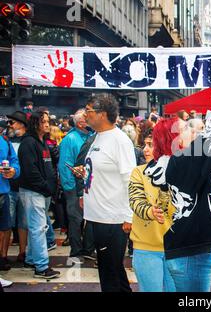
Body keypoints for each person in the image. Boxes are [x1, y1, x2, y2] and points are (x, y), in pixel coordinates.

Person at [143, 71, 211, 292]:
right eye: (185, 128)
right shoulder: (182, 163)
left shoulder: (180, 163)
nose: (192, 129)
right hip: (191, 255)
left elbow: (210, 136)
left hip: (190, 250)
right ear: (172, 140)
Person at [77, 95, 136, 292]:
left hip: (113, 218)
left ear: (102, 114)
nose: (85, 114)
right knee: (112, 271)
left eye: (89, 110)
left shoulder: (119, 141)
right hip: (98, 216)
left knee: (110, 274)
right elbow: (102, 169)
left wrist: (128, 216)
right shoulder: (97, 137)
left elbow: (130, 180)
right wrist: (85, 174)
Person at [128, 133, 175, 292]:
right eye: (144, 145)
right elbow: (135, 201)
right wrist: (150, 211)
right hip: (146, 248)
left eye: (151, 145)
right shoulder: (138, 172)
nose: (145, 150)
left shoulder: (178, 173)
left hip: (176, 248)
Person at [18, 112, 60, 279]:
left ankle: (31, 259)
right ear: (35, 123)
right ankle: (41, 267)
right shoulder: (28, 143)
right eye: (43, 121)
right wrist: (45, 187)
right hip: (34, 191)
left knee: (37, 228)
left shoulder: (41, 142)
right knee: (38, 229)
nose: (47, 124)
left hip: (41, 191)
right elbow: (30, 171)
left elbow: (45, 167)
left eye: (48, 121)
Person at [57, 109, 94, 265]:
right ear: (81, 123)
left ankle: (87, 249)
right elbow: (64, 166)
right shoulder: (70, 139)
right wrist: (71, 189)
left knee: (89, 218)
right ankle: (76, 251)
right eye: (88, 118)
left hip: (88, 186)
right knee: (75, 219)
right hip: (73, 187)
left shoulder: (90, 136)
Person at [4, 112, 28, 264]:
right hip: (9, 187)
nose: (9, 126)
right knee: (6, 224)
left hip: (25, 187)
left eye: (12, 123)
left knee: (23, 223)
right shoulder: (6, 141)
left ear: (21, 124)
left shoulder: (29, 140)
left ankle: (23, 252)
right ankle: (3, 255)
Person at [0, 128, 20, 284]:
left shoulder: (5, 141)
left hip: (3, 192)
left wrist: (14, 171)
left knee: (4, 228)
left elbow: (13, 161)